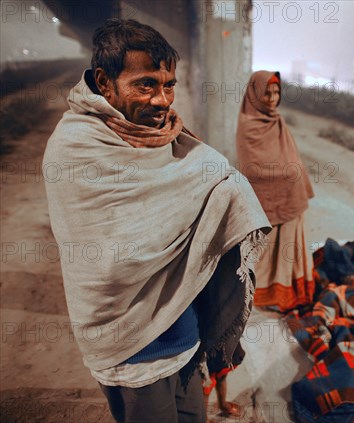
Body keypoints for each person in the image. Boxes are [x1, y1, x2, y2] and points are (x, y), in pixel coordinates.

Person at [43, 19, 270, 423]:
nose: (162, 100)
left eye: (169, 84)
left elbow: (216, 182)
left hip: (184, 331)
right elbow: (109, 265)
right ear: (104, 81)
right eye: (146, 84)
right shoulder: (74, 148)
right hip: (130, 345)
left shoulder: (171, 139)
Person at [236, 71, 315, 312]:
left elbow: (291, 157)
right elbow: (253, 167)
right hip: (268, 201)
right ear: (255, 94)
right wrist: (288, 174)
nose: (272, 98)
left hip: (291, 200)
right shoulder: (249, 124)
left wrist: (294, 175)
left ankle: (287, 294)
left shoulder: (277, 120)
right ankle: (266, 295)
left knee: (290, 250)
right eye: (267, 92)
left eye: (276, 92)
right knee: (269, 251)